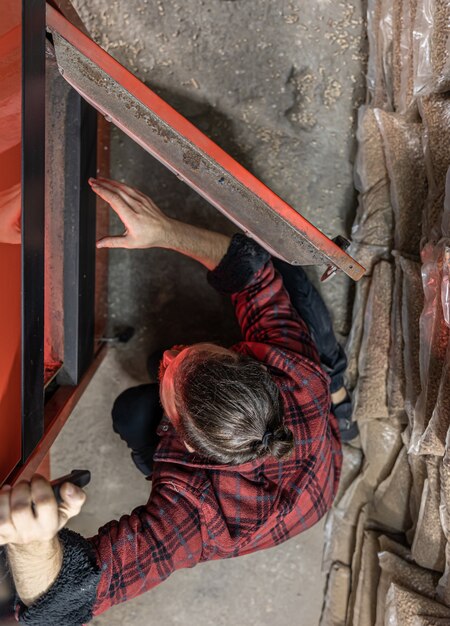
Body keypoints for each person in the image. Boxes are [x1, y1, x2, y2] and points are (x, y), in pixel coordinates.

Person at [0, 177, 356, 625]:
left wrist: (30, 541)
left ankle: (338, 392)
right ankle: (337, 399)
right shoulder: (294, 371)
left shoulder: (196, 516)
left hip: (304, 491)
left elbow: (65, 605)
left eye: (172, 372)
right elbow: (254, 274)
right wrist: (164, 231)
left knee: (130, 412)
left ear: (187, 442)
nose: (169, 356)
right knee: (289, 284)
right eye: (184, 356)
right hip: (316, 477)